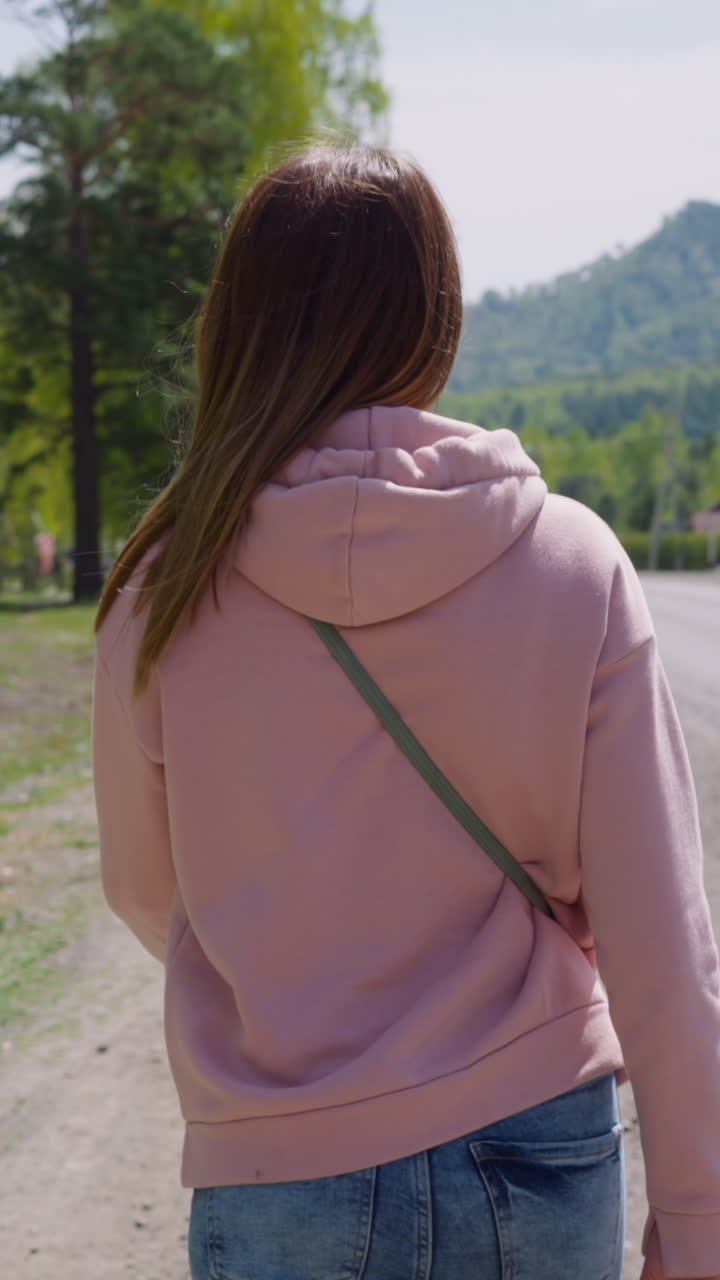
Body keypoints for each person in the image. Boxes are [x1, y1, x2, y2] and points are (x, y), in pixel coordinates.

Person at [92, 144, 720, 1280]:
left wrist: (298, 953)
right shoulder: (570, 561)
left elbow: (148, 890)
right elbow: (663, 941)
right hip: (537, 1142)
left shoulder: (162, 585)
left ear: (236, 321)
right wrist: (698, 1213)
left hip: (278, 1170)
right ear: (437, 313)